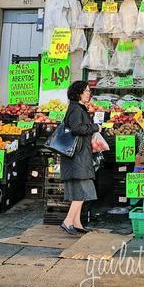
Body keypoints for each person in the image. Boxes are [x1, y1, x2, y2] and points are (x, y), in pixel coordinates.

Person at [60, 81, 100, 236]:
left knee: (79, 189)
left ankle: (76, 222)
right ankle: (68, 221)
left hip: (77, 154)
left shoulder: (76, 108)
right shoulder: (76, 109)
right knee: (84, 190)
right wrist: (96, 127)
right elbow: (78, 129)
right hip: (78, 155)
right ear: (78, 93)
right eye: (86, 91)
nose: (89, 93)